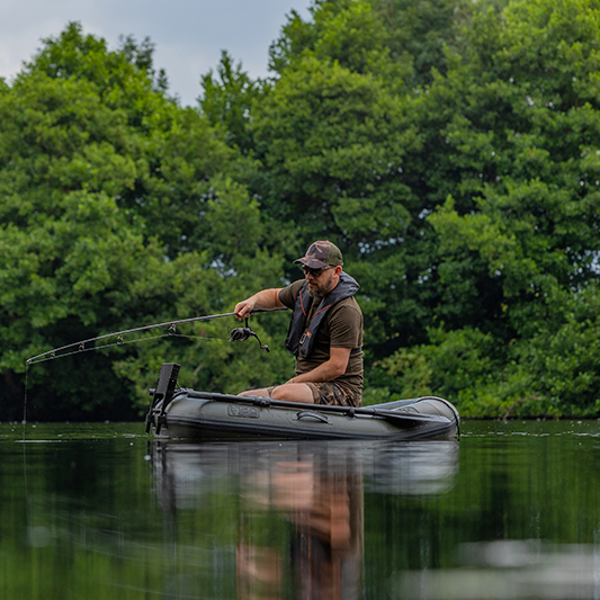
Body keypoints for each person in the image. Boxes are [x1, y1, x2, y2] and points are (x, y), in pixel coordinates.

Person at [234, 240, 363, 406]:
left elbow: (337, 366)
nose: (309, 276)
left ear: (336, 271)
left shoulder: (345, 310)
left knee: (284, 393)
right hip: (303, 387)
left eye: (316, 271)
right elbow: (274, 297)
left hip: (342, 391)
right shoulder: (305, 289)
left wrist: (295, 383)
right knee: (241, 399)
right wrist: (252, 302)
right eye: (306, 269)